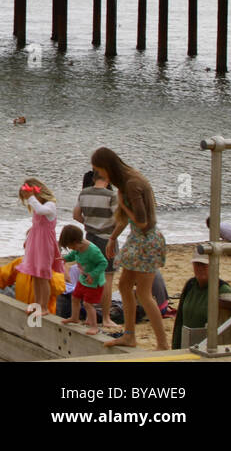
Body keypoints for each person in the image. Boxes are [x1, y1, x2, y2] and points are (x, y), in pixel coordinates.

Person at [92, 146, 167, 350]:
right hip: (138, 239)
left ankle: (162, 343)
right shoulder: (126, 182)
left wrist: (124, 206)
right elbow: (126, 221)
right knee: (124, 285)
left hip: (146, 240)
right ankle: (130, 335)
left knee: (143, 293)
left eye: (99, 170)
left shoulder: (132, 184)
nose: (100, 175)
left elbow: (143, 222)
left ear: (107, 167)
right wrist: (112, 238)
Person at [73, 169, 118, 324]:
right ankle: (106, 317)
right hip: (106, 239)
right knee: (107, 276)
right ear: (108, 178)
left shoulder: (84, 193)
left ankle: (88, 316)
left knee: (88, 275)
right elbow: (119, 218)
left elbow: (76, 215)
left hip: (89, 238)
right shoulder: (111, 196)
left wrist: (89, 224)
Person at [172, 245, 231, 349]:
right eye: (197, 264)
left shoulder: (223, 290)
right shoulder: (190, 285)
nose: (200, 268)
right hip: (187, 344)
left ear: (213, 266)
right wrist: (175, 347)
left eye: (204, 265)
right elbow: (179, 321)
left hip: (209, 346)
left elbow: (229, 327)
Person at [17, 178, 59, 315]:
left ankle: (44, 307)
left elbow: (41, 211)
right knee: (35, 275)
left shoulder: (50, 205)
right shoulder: (38, 206)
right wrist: (29, 237)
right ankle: (37, 304)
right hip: (35, 241)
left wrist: (31, 197)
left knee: (44, 275)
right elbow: (36, 225)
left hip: (45, 243)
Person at [0, 256, 68, 313]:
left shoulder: (53, 266)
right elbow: (1, 277)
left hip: (43, 314)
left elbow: (59, 288)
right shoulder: (21, 262)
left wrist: (44, 271)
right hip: (22, 309)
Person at [59, 224, 108, 334]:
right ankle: (74, 317)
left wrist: (93, 274)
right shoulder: (78, 248)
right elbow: (74, 255)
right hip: (83, 280)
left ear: (76, 242)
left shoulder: (93, 251)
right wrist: (65, 258)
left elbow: (103, 263)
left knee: (87, 304)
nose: (71, 249)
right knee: (75, 297)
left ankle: (94, 326)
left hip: (94, 283)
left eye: (71, 246)